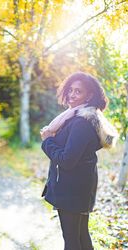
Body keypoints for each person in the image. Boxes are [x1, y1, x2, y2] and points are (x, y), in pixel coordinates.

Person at [40, 72, 118, 250]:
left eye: (78, 91)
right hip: (78, 185)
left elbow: (67, 160)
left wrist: (47, 141)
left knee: (72, 240)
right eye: (70, 90)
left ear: (89, 96)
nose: (72, 95)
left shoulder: (81, 123)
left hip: (72, 188)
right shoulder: (75, 117)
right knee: (80, 236)